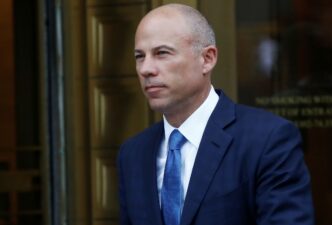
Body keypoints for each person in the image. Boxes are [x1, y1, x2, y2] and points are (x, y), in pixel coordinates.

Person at [117, 3, 314, 225]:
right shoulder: (133, 154)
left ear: (207, 59)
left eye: (162, 53)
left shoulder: (267, 140)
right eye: (139, 56)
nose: (146, 69)